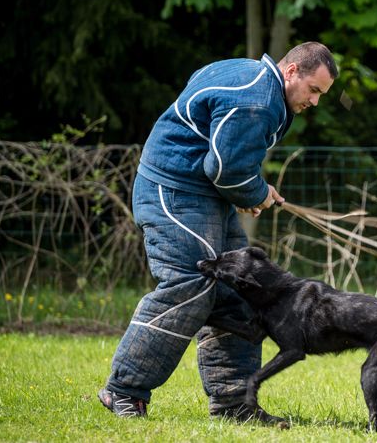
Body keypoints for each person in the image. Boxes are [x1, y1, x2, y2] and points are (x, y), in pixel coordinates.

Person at [97, 42, 338, 423]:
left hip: (202, 195)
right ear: (291, 71)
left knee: (242, 292)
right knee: (190, 285)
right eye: (314, 90)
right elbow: (226, 169)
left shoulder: (247, 73)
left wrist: (248, 188)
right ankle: (123, 390)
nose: (315, 102)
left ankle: (233, 404)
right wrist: (256, 192)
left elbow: (223, 156)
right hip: (173, 190)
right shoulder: (258, 98)